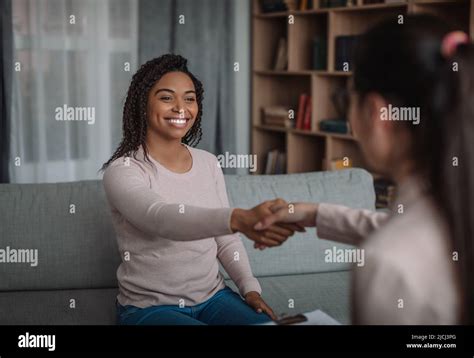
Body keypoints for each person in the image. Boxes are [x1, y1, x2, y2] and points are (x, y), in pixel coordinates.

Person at [254, 15, 474, 325]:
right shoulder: (453, 205)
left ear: (376, 113)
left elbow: (406, 242)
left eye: (347, 99)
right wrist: (314, 213)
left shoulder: (389, 262)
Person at [101, 54, 302, 325]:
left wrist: (250, 289)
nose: (181, 108)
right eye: (166, 97)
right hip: (151, 309)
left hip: (215, 299)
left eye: (189, 98)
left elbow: (226, 240)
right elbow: (161, 219)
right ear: (143, 105)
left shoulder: (208, 163)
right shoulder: (123, 170)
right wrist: (237, 219)